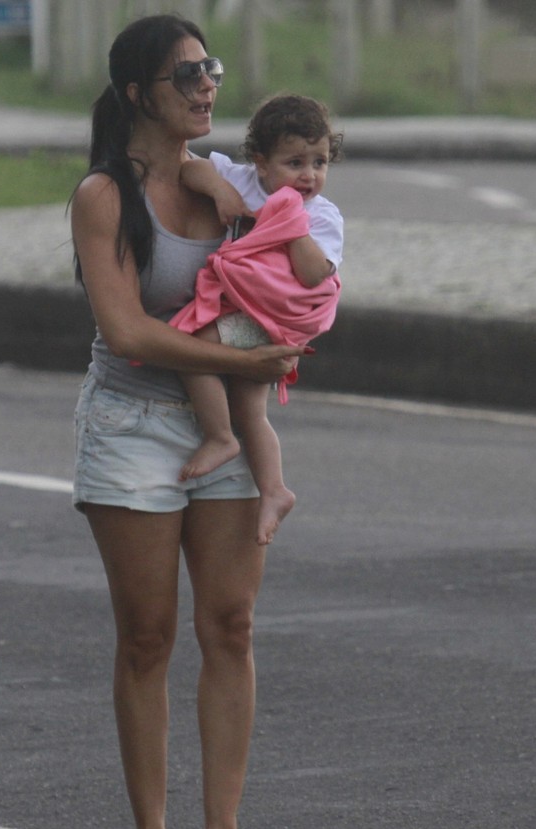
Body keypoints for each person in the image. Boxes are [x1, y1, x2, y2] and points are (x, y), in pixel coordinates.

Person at [70, 14, 306, 829]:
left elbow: (294, 249)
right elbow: (128, 330)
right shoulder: (103, 196)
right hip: (133, 421)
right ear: (138, 94)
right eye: (186, 75)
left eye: (211, 68)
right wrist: (247, 363)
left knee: (231, 625)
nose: (207, 85)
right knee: (147, 635)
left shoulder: (223, 184)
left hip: (230, 422)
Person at [170, 95, 344, 545]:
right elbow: (188, 169)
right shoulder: (243, 182)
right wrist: (219, 190)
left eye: (320, 162)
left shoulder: (321, 216)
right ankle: (274, 490)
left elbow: (315, 274)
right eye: (294, 163)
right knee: (250, 409)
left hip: (270, 320)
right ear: (261, 163)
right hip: (241, 307)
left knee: (192, 346)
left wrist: (291, 223)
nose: (309, 176)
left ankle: (219, 437)